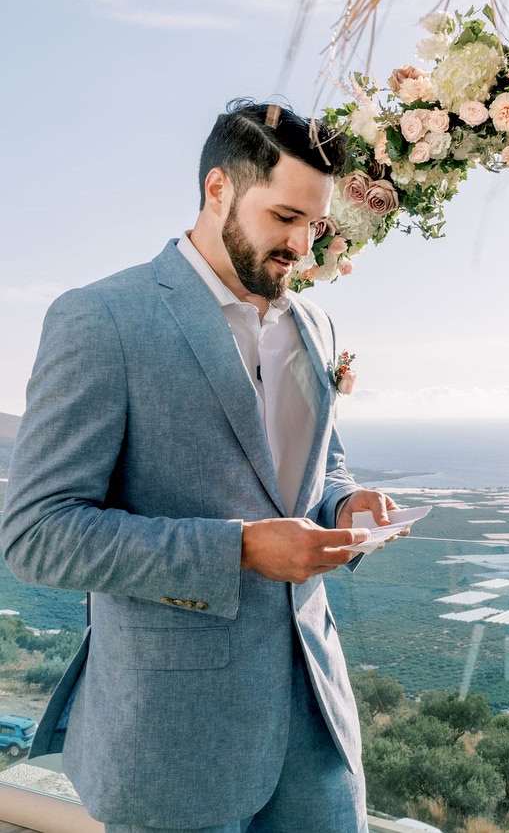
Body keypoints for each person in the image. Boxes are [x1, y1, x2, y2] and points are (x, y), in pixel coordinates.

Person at [0, 99, 399, 833]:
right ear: (218, 189)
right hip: (171, 742)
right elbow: (36, 536)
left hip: (316, 726)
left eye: (314, 226)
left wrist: (344, 505)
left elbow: (316, 472)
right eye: (284, 218)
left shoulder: (314, 323)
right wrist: (239, 549)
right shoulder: (102, 320)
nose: (303, 250)